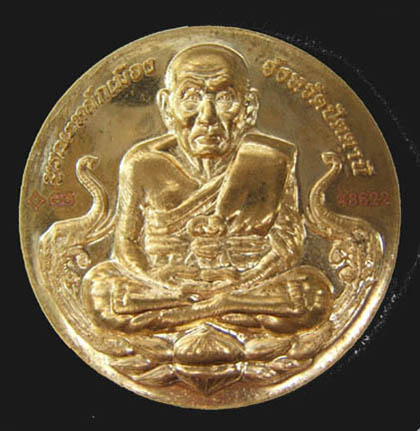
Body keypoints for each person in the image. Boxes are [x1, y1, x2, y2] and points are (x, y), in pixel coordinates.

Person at [80, 43, 333, 334]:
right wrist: (157, 278)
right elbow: (125, 244)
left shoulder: (270, 159)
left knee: (313, 293)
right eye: (190, 97)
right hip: (170, 286)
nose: (207, 116)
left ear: (249, 107)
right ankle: (219, 309)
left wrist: (244, 280)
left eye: (225, 98)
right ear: (166, 106)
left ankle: (198, 312)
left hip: (242, 284)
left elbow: (288, 246)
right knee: (100, 289)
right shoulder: (142, 163)